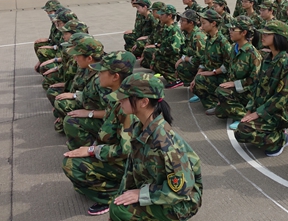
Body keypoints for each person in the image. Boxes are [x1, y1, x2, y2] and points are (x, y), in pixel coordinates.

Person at [109, 73, 202, 221]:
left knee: (120, 210)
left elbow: (182, 190)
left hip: (179, 203)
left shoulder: (165, 143)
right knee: (118, 204)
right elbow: (131, 169)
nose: (120, 101)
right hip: (158, 187)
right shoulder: (140, 127)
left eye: (125, 98)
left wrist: (143, 194)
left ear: (144, 102)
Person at [62, 51, 136, 216]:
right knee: (77, 167)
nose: (98, 74)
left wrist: (91, 151)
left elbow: (126, 150)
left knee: (72, 166)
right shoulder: (116, 96)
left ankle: (113, 194)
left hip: (133, 166)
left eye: (102, 71)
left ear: (115, 76)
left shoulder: (127, 106)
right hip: (120, 154)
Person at [234, 20, 288, 157]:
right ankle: (272, 132)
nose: (263, 36)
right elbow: (257, 87)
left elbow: (282, 96)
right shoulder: (267, 58)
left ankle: (279, 139)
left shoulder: (287, 63)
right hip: (265, 106)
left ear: (278, 37)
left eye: (267, 34)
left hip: (280, 111)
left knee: (243, 130)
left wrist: (258, 113)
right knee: (242, 128)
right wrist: (250, 109)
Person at [58, 36, 108, 149]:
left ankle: (91, 148)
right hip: (94, 107)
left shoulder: (102, 79)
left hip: (109, 122)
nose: (75, 58)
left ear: (89, 58)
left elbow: (116, 112)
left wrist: (90, 113)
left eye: (77, 56)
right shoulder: (89, 68)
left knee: (71, 121)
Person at [215, 16, 262, 130]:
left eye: (233, 29)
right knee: (219, 112)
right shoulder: (234, 48)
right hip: (238, 89)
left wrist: (235, 84)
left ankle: (244, 116)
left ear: (244, 32)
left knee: (221, 91)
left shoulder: (253, 54)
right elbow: (230, 72)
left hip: (248, 92)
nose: (229, 32)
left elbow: (255, 80)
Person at [190, 9, 232, 114]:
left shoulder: (223, 42)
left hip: (222, 77)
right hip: (213, 74)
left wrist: (213, 72)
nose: (201, 26)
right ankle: (213, 102)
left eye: (204, 23)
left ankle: (218, 105)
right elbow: (204, 60)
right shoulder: (209, 39)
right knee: (197, 81)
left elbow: (228, 65)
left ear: (213, 24)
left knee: (200, 79)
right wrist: (196, 76)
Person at [151, 5, 184, 89]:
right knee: (154, 56)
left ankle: (175, 79)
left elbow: (175, 49)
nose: (160, 16)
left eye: (162, 14)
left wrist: (158, 52)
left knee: (159, 59)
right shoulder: (167, 28)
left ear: (169, 16)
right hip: (171, 56)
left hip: (176, 58)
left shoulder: (174, 30)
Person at [174, 10, 207, 91]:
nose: (180, 22)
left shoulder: (198, 36)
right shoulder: (188, 33)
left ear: (191, 23)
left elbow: (202, 60)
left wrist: (184, 59)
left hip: (205, 68)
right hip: (195, 63)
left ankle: (200, 87)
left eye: (183, 20)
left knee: (182, 66)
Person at [34, 0, 62, 71]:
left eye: (50, 12)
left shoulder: (64, 24)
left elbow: (64, 46)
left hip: (61, 52)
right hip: (56, 47)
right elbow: (53, 39)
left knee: (42, 51)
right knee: (39, 44)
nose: (48, 14)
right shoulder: (54, 23)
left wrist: (52, 48)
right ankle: (45, 65)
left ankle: (52, 69)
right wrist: (48, 40)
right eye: (47, 12)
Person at [141, 2, 166, 69]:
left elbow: (165, 43)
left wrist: (154, 45)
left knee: (149, 51)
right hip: (157, 44)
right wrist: (148, 43)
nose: (152, 12)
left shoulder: (165, 25)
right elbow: (153, 35)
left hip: (162, 48)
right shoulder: (159, 22)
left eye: (153, 11)